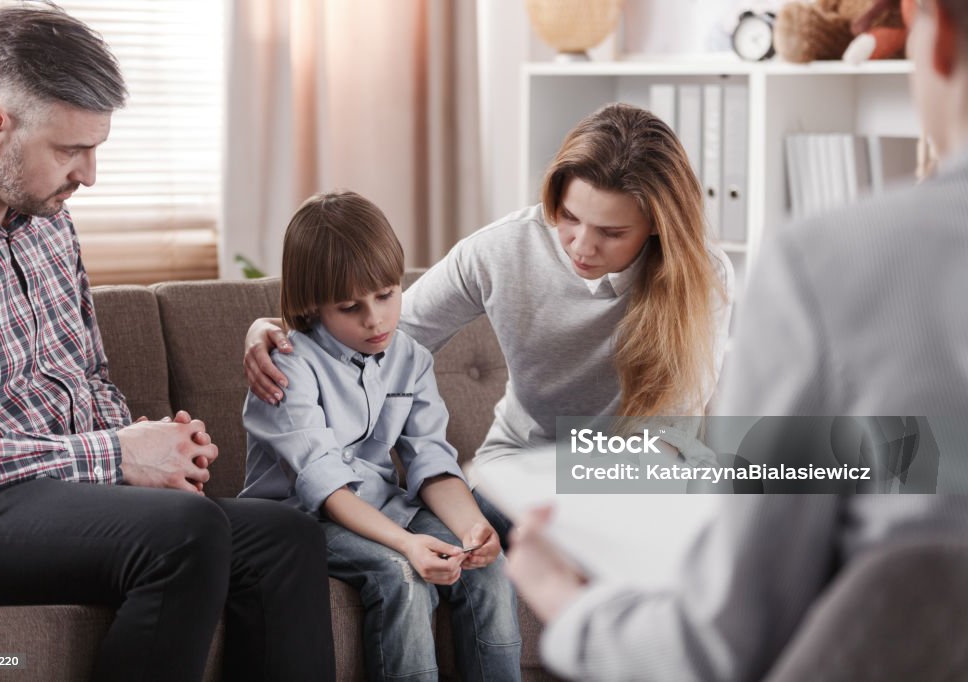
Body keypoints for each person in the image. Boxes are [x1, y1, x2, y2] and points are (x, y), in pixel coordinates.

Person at [504, 0, 968, 679]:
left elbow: (721, 646)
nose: (584, 244)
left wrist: (565, 604)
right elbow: (907, 458)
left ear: (937, 31)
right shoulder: (507, 250)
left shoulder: (829, 266)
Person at [0, 6, 333, 680]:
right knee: (186, 535)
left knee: (285, 538)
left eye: (96, 149)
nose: (89, 175)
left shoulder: (47, 220)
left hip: (65, 497)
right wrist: (111, 456)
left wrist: (154, 452)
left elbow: (87, 373)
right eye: (71, 150)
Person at [243, 103, 735, 539]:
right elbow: (389, 334)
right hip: (521, 466)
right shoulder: (502, 250)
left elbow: (671, 435)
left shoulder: (702, 278)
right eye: (568, 217)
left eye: (611, 232)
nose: (582, 246)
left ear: (656, 225)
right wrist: (284, 331)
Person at [241, 190, 521, 682]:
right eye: (351, 306)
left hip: (384, 507)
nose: (375, 319)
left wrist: (473, 529)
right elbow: (327, 490)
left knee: (489, 570)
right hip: (303, 522)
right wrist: (409, 545)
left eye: (387, 295)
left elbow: (431, 462)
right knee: (401, 576)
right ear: (313, 306)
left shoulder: (410, 357)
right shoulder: (287, 365)